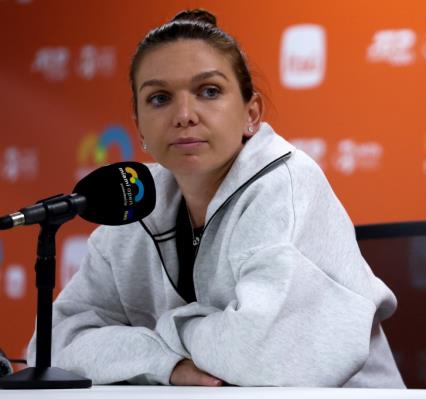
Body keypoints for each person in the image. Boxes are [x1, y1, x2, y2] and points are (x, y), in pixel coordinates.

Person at [27, 9, 405, 388]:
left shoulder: (286, 185)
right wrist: (167, 364)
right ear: (139, 127)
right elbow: (52, 344)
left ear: (251, 115)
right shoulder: (136, 203)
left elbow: (262, 357)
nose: (184, 115)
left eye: (209, 91)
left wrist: (168, 331)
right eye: (159, 98)